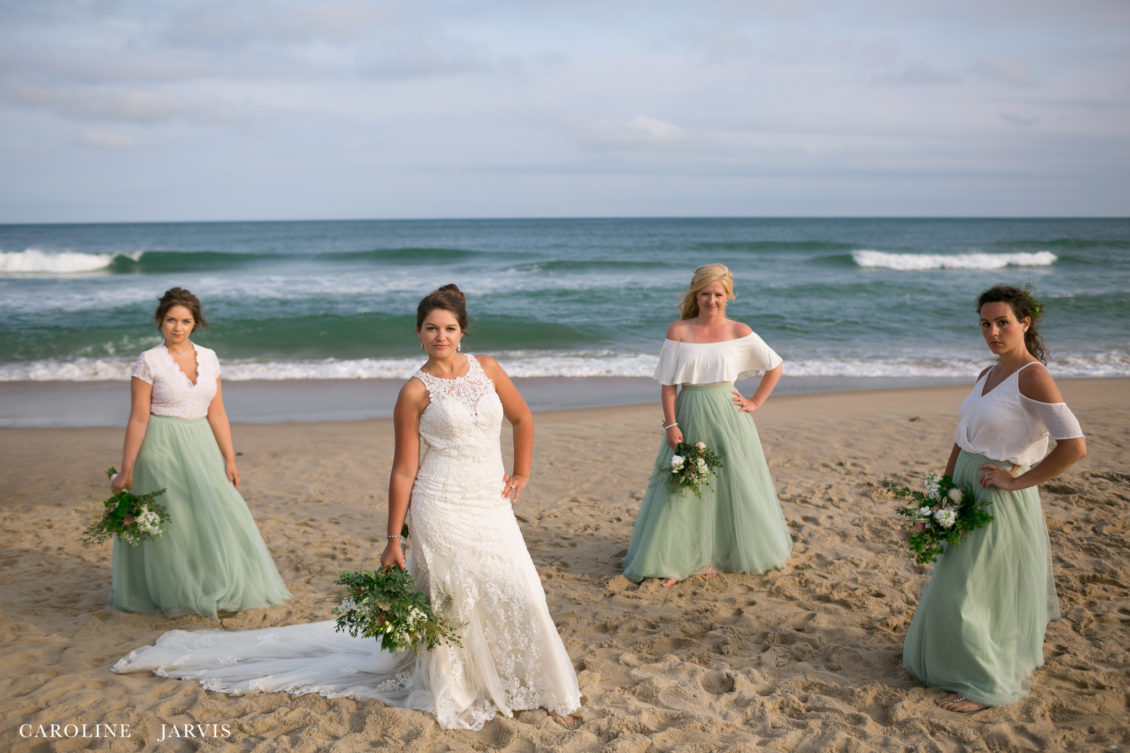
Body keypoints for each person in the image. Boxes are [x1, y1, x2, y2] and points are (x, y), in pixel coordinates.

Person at [113, 284, 580, 732]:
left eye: (450, 329)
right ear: (418, 332)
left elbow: (522, 418)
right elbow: (402, 471)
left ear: (463, 332)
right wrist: (394, 538)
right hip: (439, 504)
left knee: (519, 588)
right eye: (431, 329)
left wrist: (521, 473)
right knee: (454, 598)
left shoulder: (489, 368)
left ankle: (530, 679)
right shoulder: (414, 392)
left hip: (489, 502)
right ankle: (461, 686)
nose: (441, 337)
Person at [903, 285, 1086, 713]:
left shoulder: (1034, 376)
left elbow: (1074, 446)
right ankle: (955, 665)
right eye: (986, 324)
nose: (993, 332)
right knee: (954, 581)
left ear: (1025, 322)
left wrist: (1018, 482)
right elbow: (962, 439)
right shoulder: (988, 374)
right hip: (965, 486)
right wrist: (940, 497)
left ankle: (986, 684)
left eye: (1003, 322)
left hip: (998, 496)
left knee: (972, 591)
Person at [110, 287, 290, 618]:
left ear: (196, 323)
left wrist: (230, 458)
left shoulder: (209, 357)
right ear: (159, 321)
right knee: (175, 518)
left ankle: (208, 583)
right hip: (161, 444)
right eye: (171, 320)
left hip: (202, 443)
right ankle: (175, 590)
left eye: (185, 321)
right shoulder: (148, 361)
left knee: (219, 510)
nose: (177, 328)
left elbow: (217, 411)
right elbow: (138, 416)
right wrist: (127, 468)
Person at [622, 264, 792, 585]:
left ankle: (716, 555)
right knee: (683, 486)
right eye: (705, 294)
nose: (711, 300)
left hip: (729, 417)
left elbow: (775, 367)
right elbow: (669, 385)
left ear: (728, 296)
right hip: (690, 412)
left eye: (718, 294)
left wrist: (754, 402)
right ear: (695, 295)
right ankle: (675, 558)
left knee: (730, 484)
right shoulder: (679, 331)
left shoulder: (739, 331)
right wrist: (671, 425)